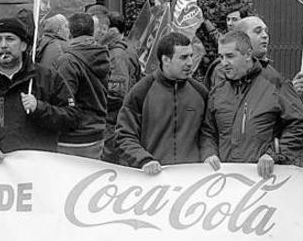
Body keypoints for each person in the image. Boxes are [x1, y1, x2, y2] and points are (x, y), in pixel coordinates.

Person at [0, 18, 78, 164]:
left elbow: (72, 118)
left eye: (10, 39)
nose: (3, 45)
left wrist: (40, 108)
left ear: (23, 45)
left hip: (39, 169)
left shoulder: (48, 78)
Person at [199, 30, 303, 178]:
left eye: (230, 56)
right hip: (224, 181)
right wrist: (209, 153)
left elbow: (299, 124)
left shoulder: (275, 84)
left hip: (263, 181)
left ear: (248, 54)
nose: (224, 63)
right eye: (221, 57)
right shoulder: (217, 92)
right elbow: (208, 131)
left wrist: (274, 155)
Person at [116, 32, 207, 174]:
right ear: (166, 60)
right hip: (153, 181)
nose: (190, 62)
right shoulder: (141, 91)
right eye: (183, 57)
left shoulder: (200, 92)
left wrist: (208, 154)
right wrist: (144, 160)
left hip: (192, 181)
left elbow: (208, 134)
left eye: (190, 56)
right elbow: (124, 135)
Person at [54, 13, 110, 159]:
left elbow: (64, 99)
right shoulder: (102, 53)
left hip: (74, 137)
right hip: (96, 132)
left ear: (69, 30)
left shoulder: (67, 61)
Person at [99, 11, 142, 163]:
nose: (99, 31)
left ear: (112, 30)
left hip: (115, 120)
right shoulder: (124, 51)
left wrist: (98, 102)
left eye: (103, 28)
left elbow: (117, 93)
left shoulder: (117, 55)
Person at [205, 15, 274, 90]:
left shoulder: (270, 71)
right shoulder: (224, 69)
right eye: (258, 31)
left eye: (266, 31)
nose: (265, 36)